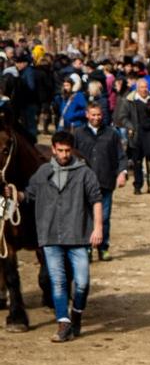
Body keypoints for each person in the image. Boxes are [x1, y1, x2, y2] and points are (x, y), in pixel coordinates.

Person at [25, 129, 103, 342]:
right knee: (58, 282)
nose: (65, 154)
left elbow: (96, 200)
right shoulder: (42, 172)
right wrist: (12, 193)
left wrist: (98, 228)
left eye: (68, 150)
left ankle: (76, 313)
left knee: (82, 282)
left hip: (78, 236)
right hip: (50, 236)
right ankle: (63, 323)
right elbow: (28, 194)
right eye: (60, 150)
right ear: (53, 150)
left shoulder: (84, 173)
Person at [70, 101, 127, 260]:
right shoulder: (78, 134)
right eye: (93, 115)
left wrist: (122, 173)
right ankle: (87, 248)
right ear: (87, 115)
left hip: (105, 181)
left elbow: (121, 156)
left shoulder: (112, 134)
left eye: (99, 115)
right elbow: (71, 156)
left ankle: (103, 248)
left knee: (105, 217)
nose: (96, 118)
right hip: (83, 183)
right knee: (86, 216)